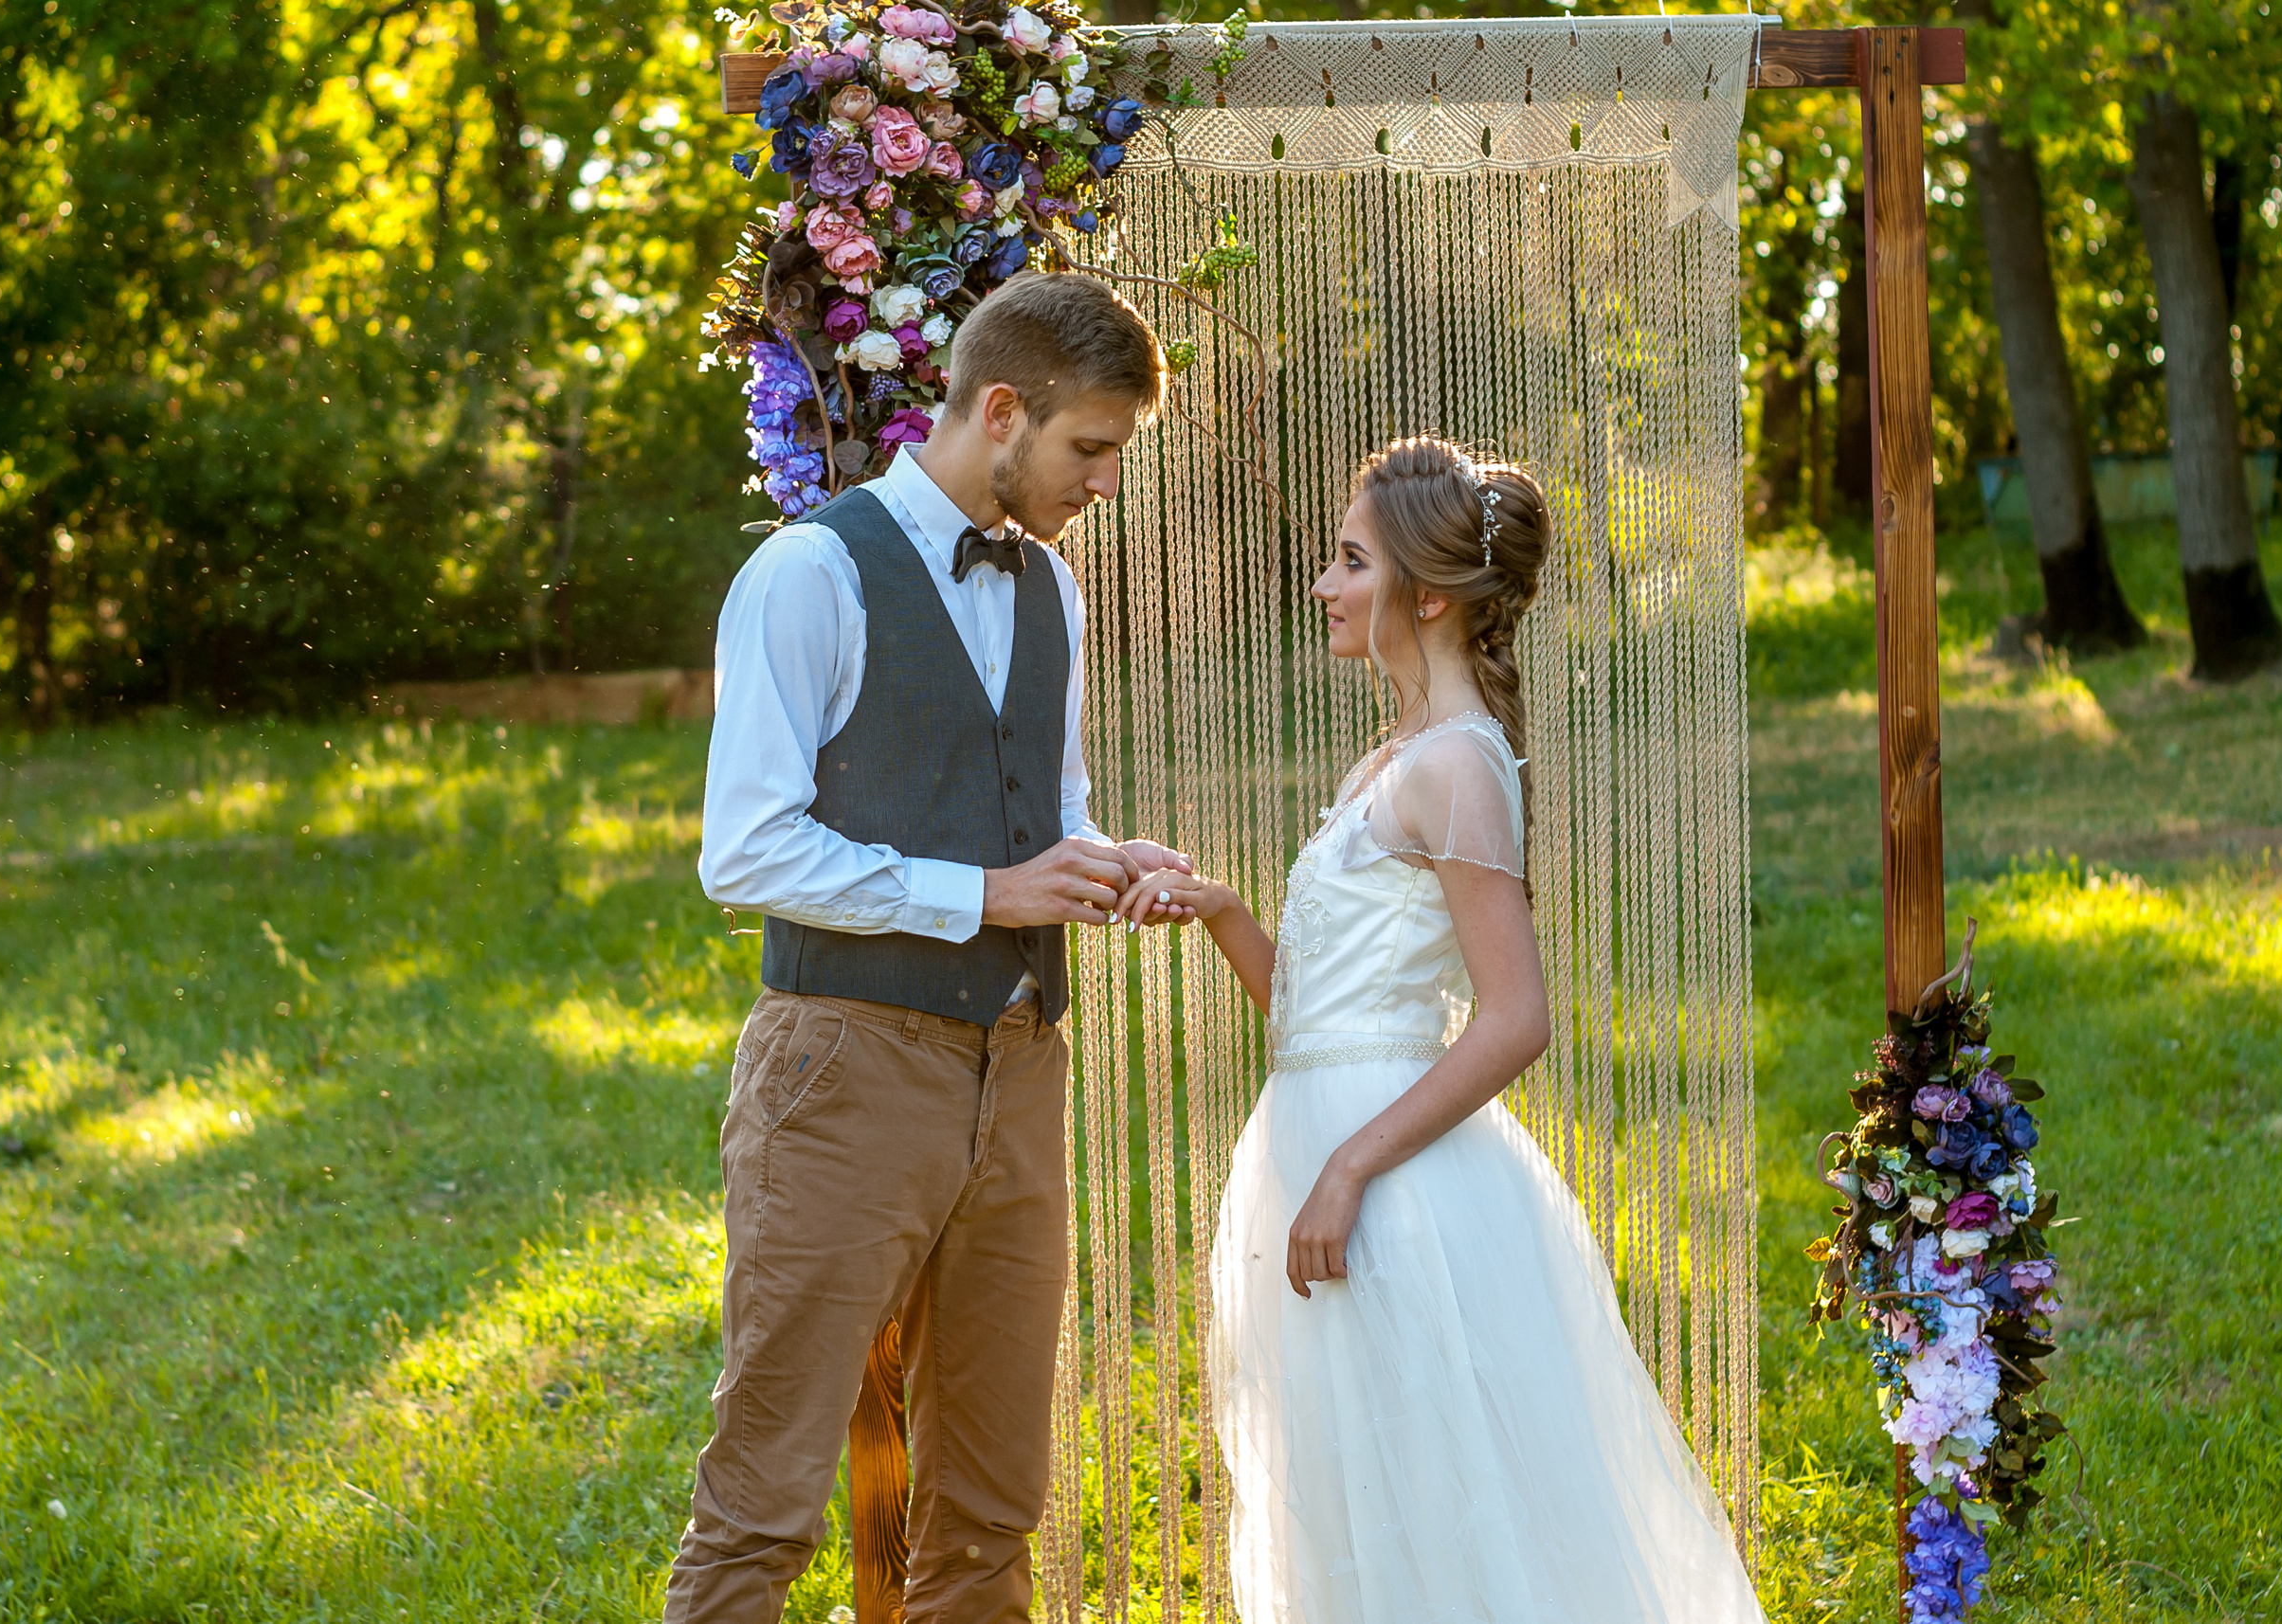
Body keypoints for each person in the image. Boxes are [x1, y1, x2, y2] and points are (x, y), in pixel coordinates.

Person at [1117, 437, 1766, 1624]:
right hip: (1324, 1143)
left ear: (1424, 592)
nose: (1322, 583)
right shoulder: (1397, 754)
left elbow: (1517, 1018)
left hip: (1393, 1189)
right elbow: (1327, 1025)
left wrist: (1351, 1163)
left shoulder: (1457, 767)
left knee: (1441, 1504)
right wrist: (1223, 916)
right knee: (1361, 1508)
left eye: (1348, 560)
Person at [677, 272, 1193, 1624]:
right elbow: (745, 850)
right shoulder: (810, 571)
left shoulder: (1054, 592)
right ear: (1003, 409)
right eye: (1090, 449)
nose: (1101, 482)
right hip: (847, 1068)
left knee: (992, 1500)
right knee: (765, 1494)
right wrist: (984, 893)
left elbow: (1046, 811)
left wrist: (1105, 864)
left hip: (1019, 1070)